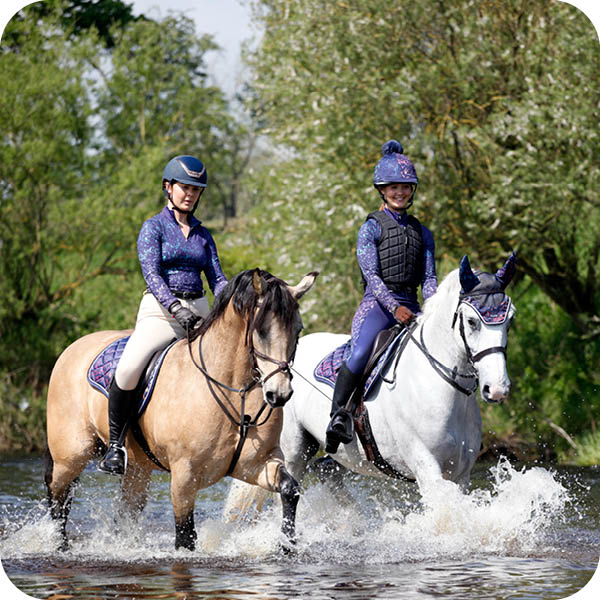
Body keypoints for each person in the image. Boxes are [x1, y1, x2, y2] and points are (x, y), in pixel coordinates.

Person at [98, 155, 228, 474]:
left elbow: (217, 279)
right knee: (128, 368)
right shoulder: (153, 227)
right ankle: (116, 446)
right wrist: (173, 308)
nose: (190, 194)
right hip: (160, 310)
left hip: (198, 309)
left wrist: (240, 299)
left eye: (196, 190)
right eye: (184, 187)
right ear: (168, 188)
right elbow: (152, 274)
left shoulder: (203, 234)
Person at [325, 140, 438, 453]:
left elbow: (429, 279)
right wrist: (394, 307)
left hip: (413, 306)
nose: (400, 192)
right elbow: (372, 278)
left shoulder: (423, 233)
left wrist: (434, 309)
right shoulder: (370, 228)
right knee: (361, 353)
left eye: (405, 187)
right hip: (377, 307)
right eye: (393, 187)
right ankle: (339, 416)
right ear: (382, 189)